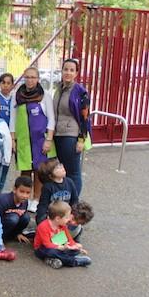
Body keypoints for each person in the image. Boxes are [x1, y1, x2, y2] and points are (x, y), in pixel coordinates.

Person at [10, 66, 55, 213]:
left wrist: (48, 139)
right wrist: (13, 139)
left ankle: (36, 198)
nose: (30, 80)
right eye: (27, 77)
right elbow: (13, 118)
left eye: (33, 77)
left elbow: (51, 119)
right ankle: (25, 198)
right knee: (25, 170)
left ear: (38, 79)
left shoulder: (45, 95)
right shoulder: (17, 95)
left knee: (39, 170)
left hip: (40, 140)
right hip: (23, 140)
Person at [53, 58, 91, 195]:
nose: (68, 72)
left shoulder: (80, 92)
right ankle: (65, 199)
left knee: (73, 171)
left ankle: (74, 202)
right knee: (63, 169)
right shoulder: (59, 88)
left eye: (71, 70)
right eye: (65, 69)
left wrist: (81, 140)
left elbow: (85, 117)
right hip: (58, 134)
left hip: (71, 135)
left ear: (76, 73)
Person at [34, 201, 91, 269]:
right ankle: (74, 261)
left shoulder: (62, 225)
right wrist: (61, 247)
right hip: (42, 249)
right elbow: (47, 244)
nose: (68, 220)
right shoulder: (43, 226)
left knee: (75, 250)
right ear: (58, 218)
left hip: (57, 244)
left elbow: (68, 238)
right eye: (66, 217)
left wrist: (75, 246)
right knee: (52, 252)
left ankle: (52, 260)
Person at [35, 158, 79, 224]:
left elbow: (74, 200)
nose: (62, 168)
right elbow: (43, 204)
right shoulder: (48, 187)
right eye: (57, 168)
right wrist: (41, 218)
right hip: (52, 216)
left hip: (66, 214)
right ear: (50, 175)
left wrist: (74, 214)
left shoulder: (69, 182)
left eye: (61, 165)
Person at [0, 177, 32, 243]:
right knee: (13, 218)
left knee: (26, 217)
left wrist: (18, 233)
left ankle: (15, 235)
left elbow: (23, 217)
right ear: (14, 189)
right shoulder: (3, 200)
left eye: (28, 193)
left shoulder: (25, 202)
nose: (24, 196)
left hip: (10, 226)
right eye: (22, 192)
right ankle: (1, 238)